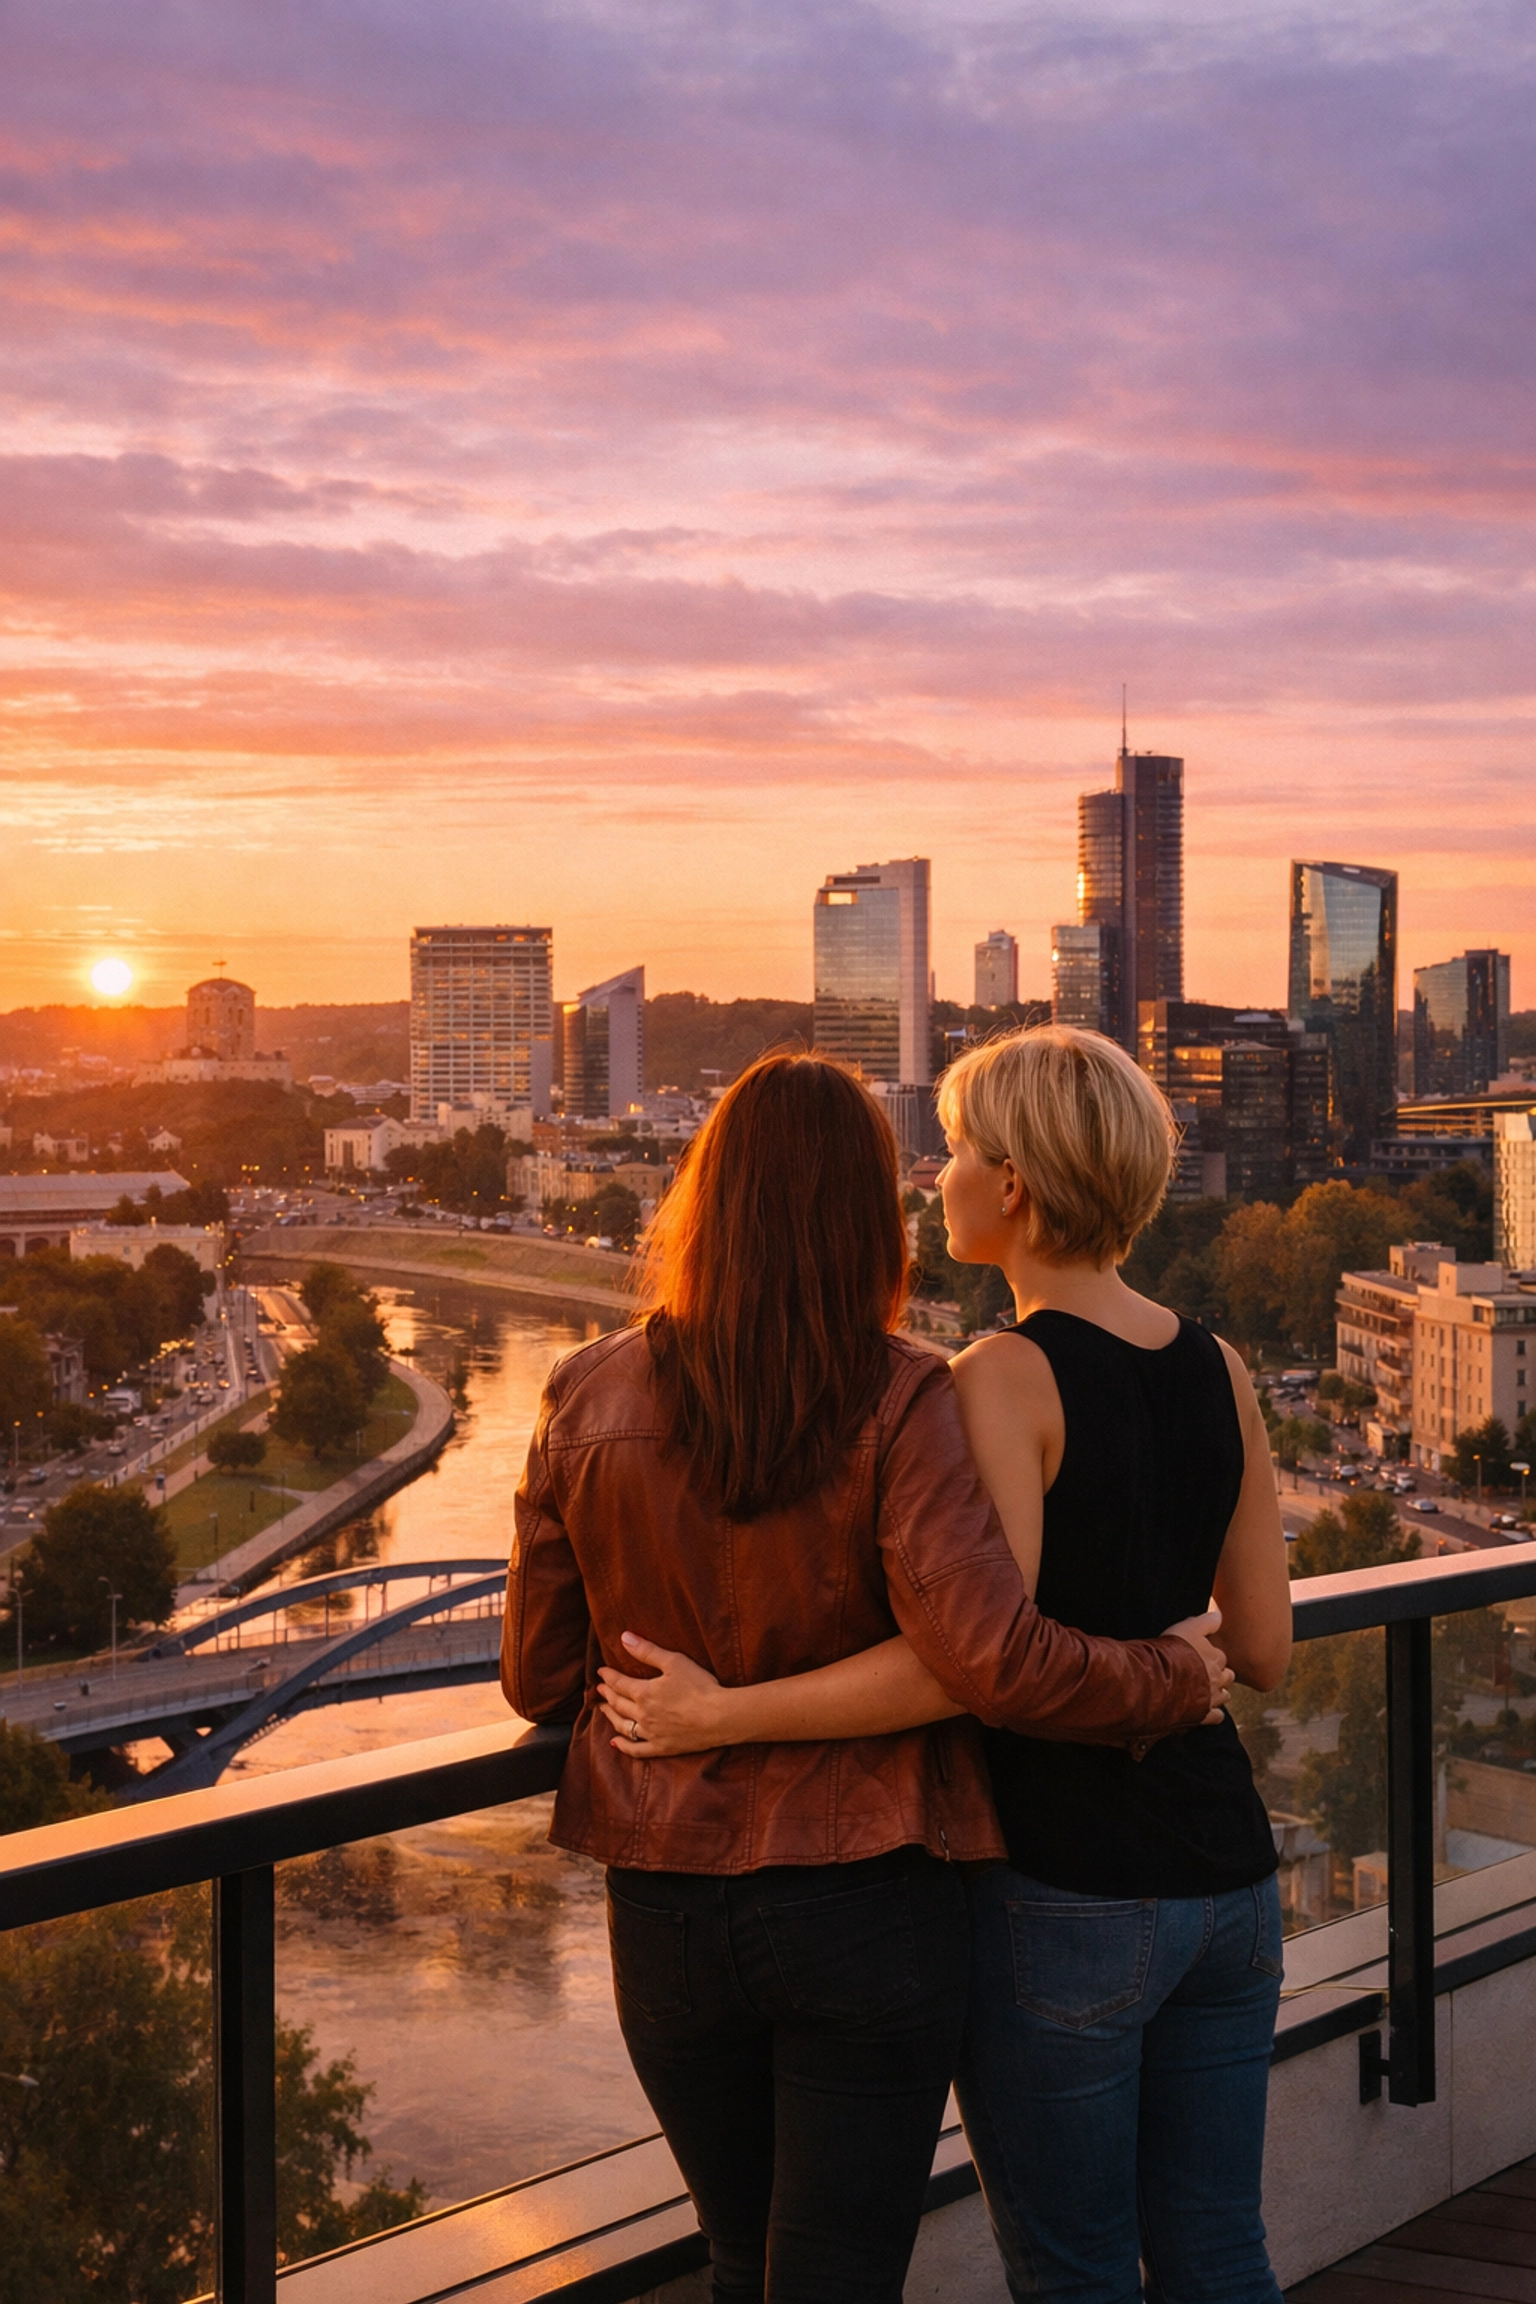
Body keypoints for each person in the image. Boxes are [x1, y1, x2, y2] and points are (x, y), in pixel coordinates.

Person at [503, 1050, 1229, 2304]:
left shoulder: (583, 1390)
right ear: (861, 1219)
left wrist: (683, 1700)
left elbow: (536, 1676)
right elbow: (988, 1653)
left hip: (666, 1904)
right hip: (870, 1899)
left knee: (740, 2260)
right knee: (837, 2278)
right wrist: (1173, 1676)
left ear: (705, 1200)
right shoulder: (907, 1399)